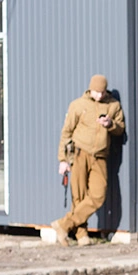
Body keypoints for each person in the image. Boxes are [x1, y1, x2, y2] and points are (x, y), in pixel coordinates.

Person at [51, 74, 125, 246]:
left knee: (98, 195)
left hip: (100, 156)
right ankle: (82, 235)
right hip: (79, 153)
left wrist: (110, 124)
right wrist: (63, 160)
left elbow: (120, 128)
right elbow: (66, 132)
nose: (99, 95)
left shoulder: (113, 105)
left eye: (102, 92)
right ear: (90, 89)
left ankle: (64, 225)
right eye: (96, 92)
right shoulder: (78, 105)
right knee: (79, 195)